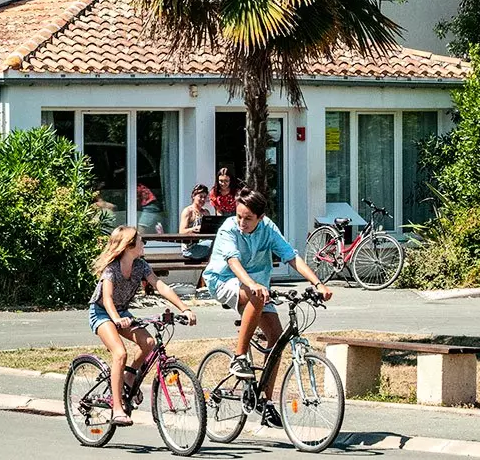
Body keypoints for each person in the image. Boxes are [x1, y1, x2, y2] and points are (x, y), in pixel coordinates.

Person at [201, 188, 332, 429]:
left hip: (259, 288)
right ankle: (239, 357)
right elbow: (233, 261)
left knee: (277, 338)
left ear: (260, 217)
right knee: (256, 296)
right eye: (239, 216)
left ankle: (264, 400)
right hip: (223, 281)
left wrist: (317, 283)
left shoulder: (268, 228)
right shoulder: (229, 228)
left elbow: (291, 256)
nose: (242, 222)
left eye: (248, 218)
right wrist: (251, 284)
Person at [89, 226, 197, 427]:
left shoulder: (141, 266)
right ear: (129, 246)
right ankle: (117, 409)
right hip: (102, 313)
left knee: (149, 343)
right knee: (120, 354)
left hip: (122, 313)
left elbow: (160, 285)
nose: (143, 243)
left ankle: (129, 376)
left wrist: (185, 308)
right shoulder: (111, 269)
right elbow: (107, 298)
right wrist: (116, 319)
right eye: (140, 240)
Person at [179, 183, 212, 260]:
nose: (203, 199)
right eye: (200, 197)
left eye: (204, 197)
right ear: (194, 196)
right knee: (214, 244)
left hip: (204, 245)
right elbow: (182, 232)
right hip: (190, 248)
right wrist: (194, 229)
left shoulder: (206, 212)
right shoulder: (188, 211)